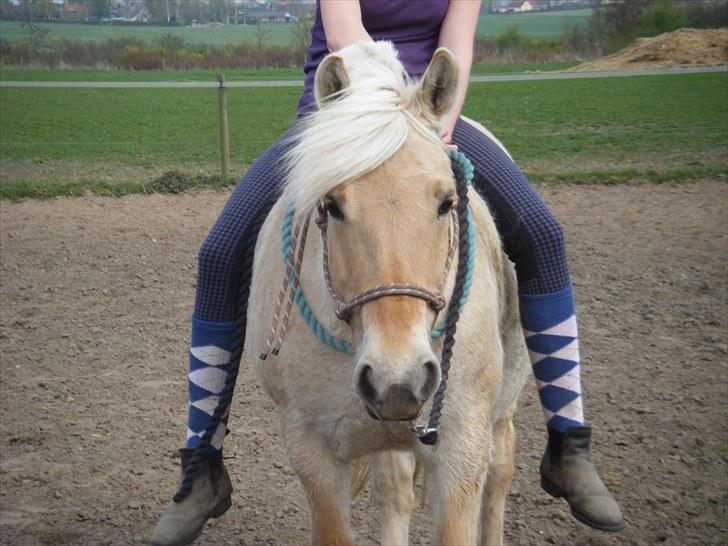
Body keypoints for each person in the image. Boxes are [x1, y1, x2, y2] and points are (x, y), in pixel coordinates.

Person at [150, 1, 624, 544]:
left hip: (427, 119)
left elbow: (457, 46)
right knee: (220, 253)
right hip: (340, 118)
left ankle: (569, 443)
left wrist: (434, 128)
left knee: (542, 235)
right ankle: (202, 463)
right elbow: (349, 42)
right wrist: (375, 124)